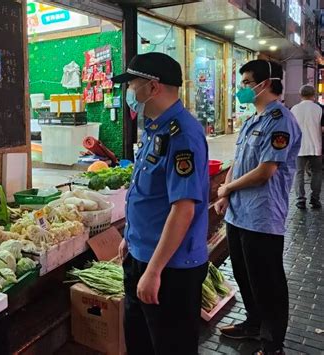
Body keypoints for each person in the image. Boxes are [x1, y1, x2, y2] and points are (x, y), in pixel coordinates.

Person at [113, 52, 209, 355]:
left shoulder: (183, 135)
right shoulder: (157, 128)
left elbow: (183, 209)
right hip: (142, 255)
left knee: (171, 347)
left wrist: (154, 271)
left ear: (153, 87)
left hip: (170, 268)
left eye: (133, 84)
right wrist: (130, 238)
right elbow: (148, 194)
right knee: (140, 343)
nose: (129, 92)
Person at [215, 60, 301, 355]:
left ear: (265, 84)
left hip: (263, 216)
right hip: (239, 214)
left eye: (247, 83)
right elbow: (238, 162)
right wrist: (226, 192)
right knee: (244, 274)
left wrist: (228, 188)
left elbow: (265, 171)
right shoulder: (252, 120)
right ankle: (253, 324)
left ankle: (272, 342)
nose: (243, 89)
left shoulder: (281, 121)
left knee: (268, 280)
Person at [291, 85, 323, 209]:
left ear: (300, 95)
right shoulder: (319, 108)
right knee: (317, 172)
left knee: (299, 173)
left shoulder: (294, 109)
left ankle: (300, 200)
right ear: (314, 95)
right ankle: (315, 200)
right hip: (316, 146)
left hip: (298, 147)